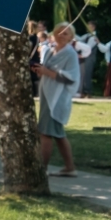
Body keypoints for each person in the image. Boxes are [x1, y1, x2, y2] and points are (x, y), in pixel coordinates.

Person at [33, 22, 81, 177]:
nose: (61, 35)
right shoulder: (49, 51)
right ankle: (70, 167)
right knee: (58, 134)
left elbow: (70, 78)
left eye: (65, 33)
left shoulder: (70, 54)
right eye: (58, 32)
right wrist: (39, 70)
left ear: (71, 37)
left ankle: (42, 169)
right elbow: (46, 71)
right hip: (47, 94)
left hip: (58, 98)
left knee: (46, 133)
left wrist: (47, 72)